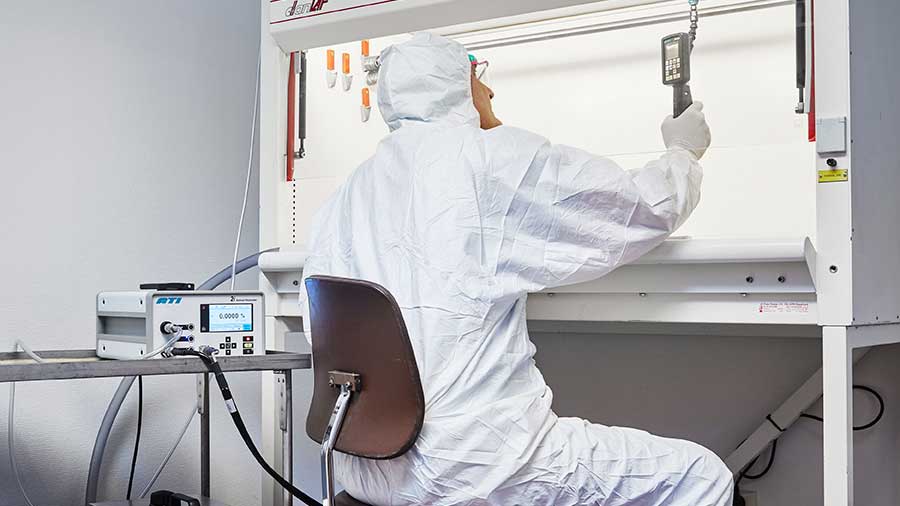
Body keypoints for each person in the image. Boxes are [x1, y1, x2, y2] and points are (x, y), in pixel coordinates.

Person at [301, 32, 732, 506]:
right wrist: (683, 154)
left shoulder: (345, 195)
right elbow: (642, 208)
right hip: (476, 467)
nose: (490, 93)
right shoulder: (489, 159)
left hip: (365, 466)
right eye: (479, 78)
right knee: (703, 477)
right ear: (458, 87)